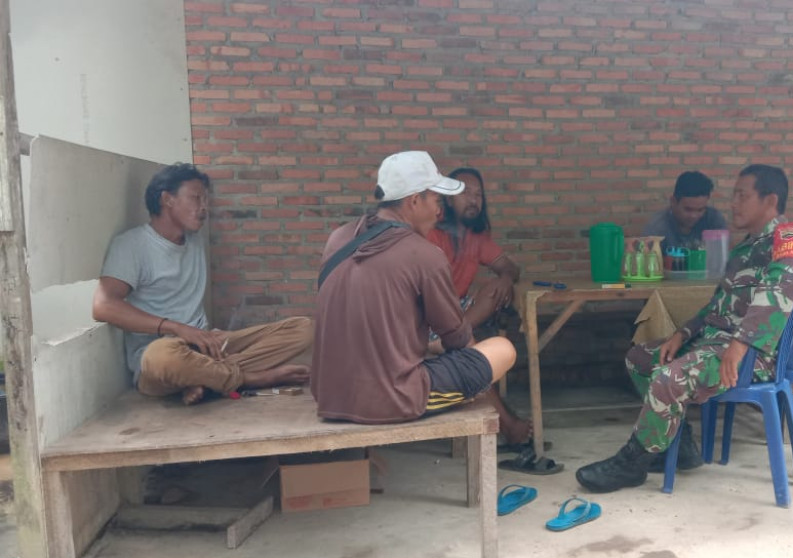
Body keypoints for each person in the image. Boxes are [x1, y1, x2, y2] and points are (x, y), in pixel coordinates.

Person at [576, 164, 793, 493]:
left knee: (668, 377)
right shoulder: (746, 248)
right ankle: (679, 444)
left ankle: (633, 462)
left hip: (754, 357)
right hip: (718, 344)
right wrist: (682, 334)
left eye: (742, 196)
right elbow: (717, 305)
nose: (733, 203)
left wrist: (740, 346)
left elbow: (778, 296)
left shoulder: (789, 239)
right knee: (641, 358)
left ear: (770, 200)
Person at [312, 151, 531, 445]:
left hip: (328, 394)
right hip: (390, 399)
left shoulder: (338, 238)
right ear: (414, 201)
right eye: (437, 201)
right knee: (501, 350)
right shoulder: (425, 254)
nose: (440, 212)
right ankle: (506, 424)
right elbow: (457, 340)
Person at [92, 163, 312, 406]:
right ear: (167, 199)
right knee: (162, 357)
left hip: (206, 345)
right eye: (196, 198)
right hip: (160, 351)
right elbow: (104, 306)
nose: (204, 207)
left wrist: (202, 337)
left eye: (205, 200)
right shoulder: (132, 245)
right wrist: (178, 328)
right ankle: (248, 379)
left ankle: (206, 378)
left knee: (303, 329)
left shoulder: (193, 239)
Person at [426, 167, 521, 334]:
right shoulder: (431, 231)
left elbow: (508, 266)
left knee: (498, 289)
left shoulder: (477, 236)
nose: (473, 201)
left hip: (456, 310)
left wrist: (506, 278)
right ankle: (446, 339)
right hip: (427, 313)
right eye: (465, 193)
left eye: (478, 195)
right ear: (449, 200)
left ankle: (453, 337)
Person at [642, 170, 728, 249]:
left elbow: (722, 256)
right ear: (673, 202)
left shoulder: (714, 220)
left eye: (700, 210)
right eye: (688, 209)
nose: (694, 216)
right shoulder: (657, 227)